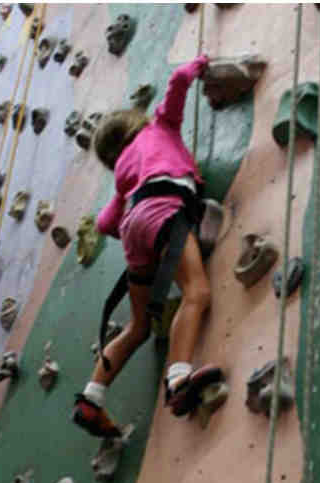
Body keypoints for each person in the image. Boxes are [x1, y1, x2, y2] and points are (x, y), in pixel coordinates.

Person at [72, 54, 224, 438]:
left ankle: (91, 398)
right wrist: (200, 64)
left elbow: (108, 223)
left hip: (134, 224)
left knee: (139, 326)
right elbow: (177, 82)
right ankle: (178, 380)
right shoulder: (160, 128)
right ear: (134, 124)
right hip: (163, 212)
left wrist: (145, 243)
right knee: (197, 293)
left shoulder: (124, 174)